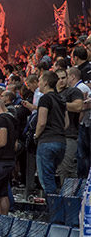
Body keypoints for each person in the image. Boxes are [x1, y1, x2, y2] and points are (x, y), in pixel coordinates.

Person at [34, 69, 67, 198]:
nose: (39, 84)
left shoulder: (45, 99)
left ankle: (54, 214)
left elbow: (41, 122)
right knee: (52, 176)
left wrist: (36, 135)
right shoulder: (61, 99)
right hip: (61, 142)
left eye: (40, 81)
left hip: (47, 142)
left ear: (46, 83)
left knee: (47, 180)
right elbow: (66, 123)